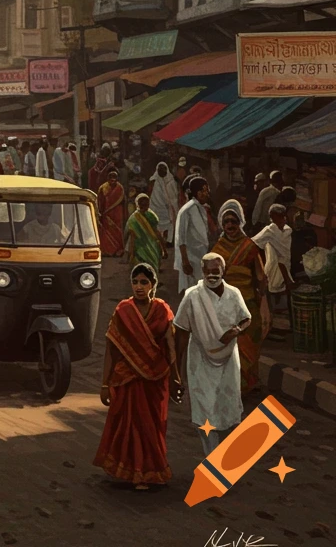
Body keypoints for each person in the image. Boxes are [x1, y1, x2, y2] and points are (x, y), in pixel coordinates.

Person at [94, 263, 179, 490]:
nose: (139, 287)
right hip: (127, 378)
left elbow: (171, 348)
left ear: (153, 285)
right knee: (129, 425)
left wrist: (176, 377)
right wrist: (105, 384)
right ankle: (134, 473)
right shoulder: (123, 311)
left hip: (156, 378)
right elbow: (111, 351)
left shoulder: (162, 310)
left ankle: (151, 470)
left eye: (144, 282)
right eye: (135, 282)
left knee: (152, 426)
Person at [173, 252, 251, 453]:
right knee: (204, 410)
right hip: (200, 361)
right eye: (207, 272)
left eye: (215, 271)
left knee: (229, 407)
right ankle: (211, 457)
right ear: (202, 272)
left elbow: (246, 318)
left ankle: (226, 456)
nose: (211, 276)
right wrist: (176, 371)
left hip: (228, 361)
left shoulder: (234, 294)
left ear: (223, 271)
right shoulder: (192, 296)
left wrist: (237, 330)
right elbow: (181, 333)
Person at [212, 201, 269, 395]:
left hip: (248, 305)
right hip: (226, 306)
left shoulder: (250, 247)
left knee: (249, 344)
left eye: (234, 221)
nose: (230, 225)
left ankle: (248, 383)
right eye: (226, 221)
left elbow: (261, 277)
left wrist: (263, 302)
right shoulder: (217, 250)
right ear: (222, 224)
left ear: (240, 222)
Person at [253, 199, 295, 323]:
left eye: (284, 216)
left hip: (286, 266)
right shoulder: (269, 231)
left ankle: (280, 326)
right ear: (272, 217)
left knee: (281, 301)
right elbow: (252, 244)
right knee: (274, 297)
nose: (283, 219)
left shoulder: (287, 231)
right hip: (274, 267)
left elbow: (285, 255)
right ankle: (274, 328)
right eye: (280, 217)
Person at [174, 177, 215, 295]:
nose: (206, 193)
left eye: (207, 190)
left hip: (200, 256)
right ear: (196, 192)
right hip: (190, 259)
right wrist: (185, 261)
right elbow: (181, 238)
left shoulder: (201, 208)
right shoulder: (187, 210)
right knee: (191, 292)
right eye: (203, 191)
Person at [124, 193, 168, 272]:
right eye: (142, 204)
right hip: (141, 249)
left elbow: (157, 232)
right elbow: (132, 238)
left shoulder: (150, 216)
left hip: (151, 248)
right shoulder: (134, 219)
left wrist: (164, 248)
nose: (144, 206)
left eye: (146, 204)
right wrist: (131, 254)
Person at [148, 161, 179, 246]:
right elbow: (150, 193)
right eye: (160, 169)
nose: (162, 171)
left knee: (170, 223)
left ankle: (169, 241)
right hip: (155, 207)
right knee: (155, 224)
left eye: (164, 169)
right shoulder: (153, 180)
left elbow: (174, 195)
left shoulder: (171, 180)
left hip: (167, 208)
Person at [97, 170, 125, 257]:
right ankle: (107, 251)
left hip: (117, 214)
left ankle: (118, 250)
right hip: (106, 214)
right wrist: (100, 213)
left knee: (117, 232)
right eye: (111, 177)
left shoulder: (120, 188)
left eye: (114, 177)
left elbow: (123, 203)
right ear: (107, 178)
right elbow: (100, 201)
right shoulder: (103, 188)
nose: (113, 179)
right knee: (106, 232)